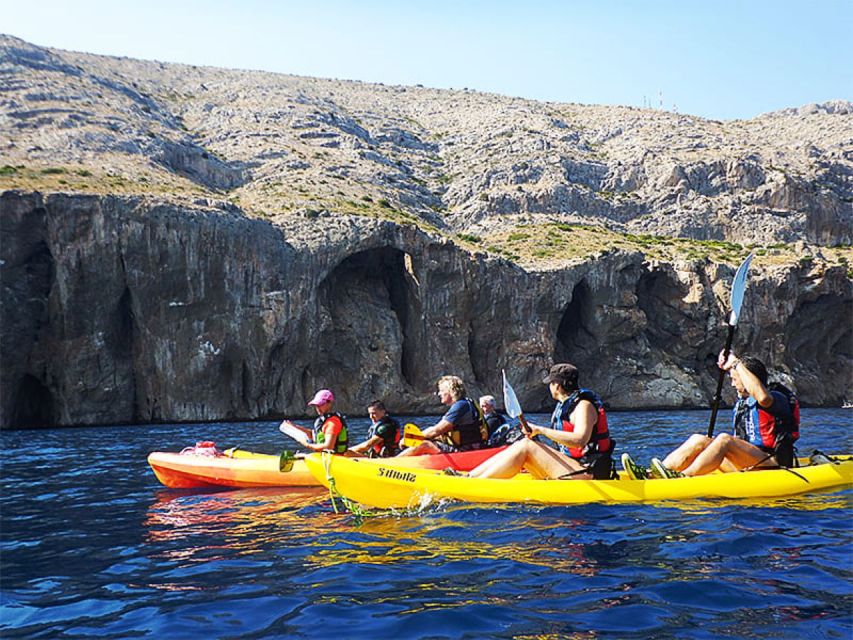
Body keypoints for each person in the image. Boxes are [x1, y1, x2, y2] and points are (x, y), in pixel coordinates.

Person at [621, 351, 798, 479]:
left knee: (724, 439)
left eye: (735, 378)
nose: (732, 383)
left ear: (747, 379)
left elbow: (762, 397)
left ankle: (682, 478)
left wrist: (737, 363)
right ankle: (651, 475)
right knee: (700, 439)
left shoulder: (775, 398)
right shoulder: (743, 404)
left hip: (771, 463)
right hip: (747, 463)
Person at [465, 363, 616, 480]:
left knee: (526, 447)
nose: (549, 387)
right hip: (575, 466)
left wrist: (541, 430)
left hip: (588, 472)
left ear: (557, 385)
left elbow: (580, 440)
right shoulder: (566, 406)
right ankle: (470, 477)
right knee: (522, 443)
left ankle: (473, 485)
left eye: (551, 383)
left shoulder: (584, 406)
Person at [397, 375, 489, 456]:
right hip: (471, 449)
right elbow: (437, 430)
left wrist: (410, 438)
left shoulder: (460, 406)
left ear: (451, 391)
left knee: (424, 445)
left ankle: (390, 467)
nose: (439, 394)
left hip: (466, 452)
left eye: (441, 390)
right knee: (430, 441)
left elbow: (436, 430)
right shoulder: (466, 403)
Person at [280, 389, 350, 453]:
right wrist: (295, 427)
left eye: (321, 404)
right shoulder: (324, 421)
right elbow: (313, 435)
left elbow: (329, 446)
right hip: (326, 457)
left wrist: (307, 445)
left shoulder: (332, 423)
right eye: (316, 405)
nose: (318, 408)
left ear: (329, 403)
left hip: (334, 459)